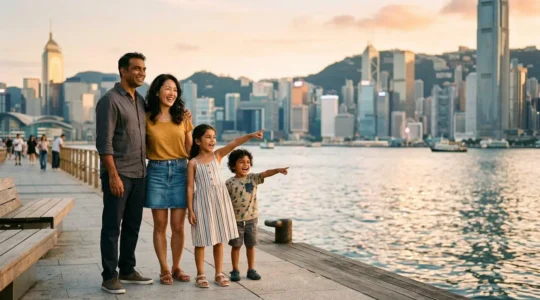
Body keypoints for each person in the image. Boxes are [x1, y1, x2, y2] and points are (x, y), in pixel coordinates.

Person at [95, 52, 153, 295]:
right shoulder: (109, 100)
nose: (141, 73)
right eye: (136, 69)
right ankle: (109, 276)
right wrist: (113, 175)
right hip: (120, 174)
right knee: (112, 226)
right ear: (123, 70)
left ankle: (128, 269)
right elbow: (104, 143)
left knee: (133, 225)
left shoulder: (139, 101)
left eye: (143, 69)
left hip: (140, 173)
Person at [187, 125, 263, 288]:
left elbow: (235, 143)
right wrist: (190, 210)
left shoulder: (217, 156)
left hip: (220, 202)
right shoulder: (193, 163)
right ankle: (200, 274)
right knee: (200, 240)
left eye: (214, 137)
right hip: (202, 202)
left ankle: (218, 273)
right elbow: (189, 187)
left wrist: (250, 135)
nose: (212, 140)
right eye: (208, 137)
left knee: (219, 239)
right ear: (198, 141)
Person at [144, 74, 193, 285]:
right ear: (157, 91)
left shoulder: (183, 116)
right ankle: (164, 268)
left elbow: (190, 149)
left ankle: (176, 266)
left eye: (175, 89)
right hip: (156, 171)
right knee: (160, 225)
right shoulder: (146, 116)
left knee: (178, 226)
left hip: (181, 170)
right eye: (167, 88)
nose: (172, 93)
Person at [225, 149, 288, 282]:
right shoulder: (229, 183)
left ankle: (251, 269)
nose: (245, 164)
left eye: (248, 162)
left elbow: (265, 173)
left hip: (251, 220)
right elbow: (224, 201)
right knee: (236, 246)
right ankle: (235, 270)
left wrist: (277, 170)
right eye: (241, 162)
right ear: (232, 166)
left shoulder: (253, 178)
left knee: (250, 246)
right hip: (235, 221)